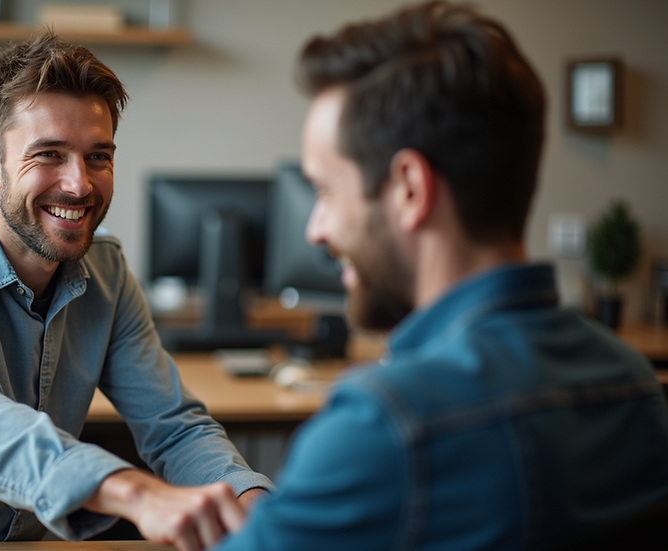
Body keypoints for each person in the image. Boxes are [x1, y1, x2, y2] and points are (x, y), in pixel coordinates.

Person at [212, 2, 668, 550]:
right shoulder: (632, 383)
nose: (315, 229)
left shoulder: (382, 427)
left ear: (409, 189)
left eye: (327, 192)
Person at [0, 33, 272, 549]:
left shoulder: (107, 271)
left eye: (97, 157)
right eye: (49, 155)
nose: (79, 184)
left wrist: (250, 504)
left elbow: (173, 427)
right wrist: (136, 495)